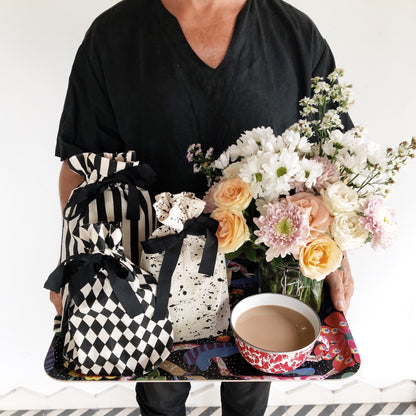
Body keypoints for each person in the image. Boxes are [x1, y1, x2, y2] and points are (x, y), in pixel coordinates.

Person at [50, 0, 354, 414]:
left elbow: (333, 162)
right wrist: (76, 260)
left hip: (265, 270)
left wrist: (337, 254)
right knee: (160, 392)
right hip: (148, 272)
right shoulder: (112, 36)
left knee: (250, 392)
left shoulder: (296, 36)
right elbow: (80, 166)